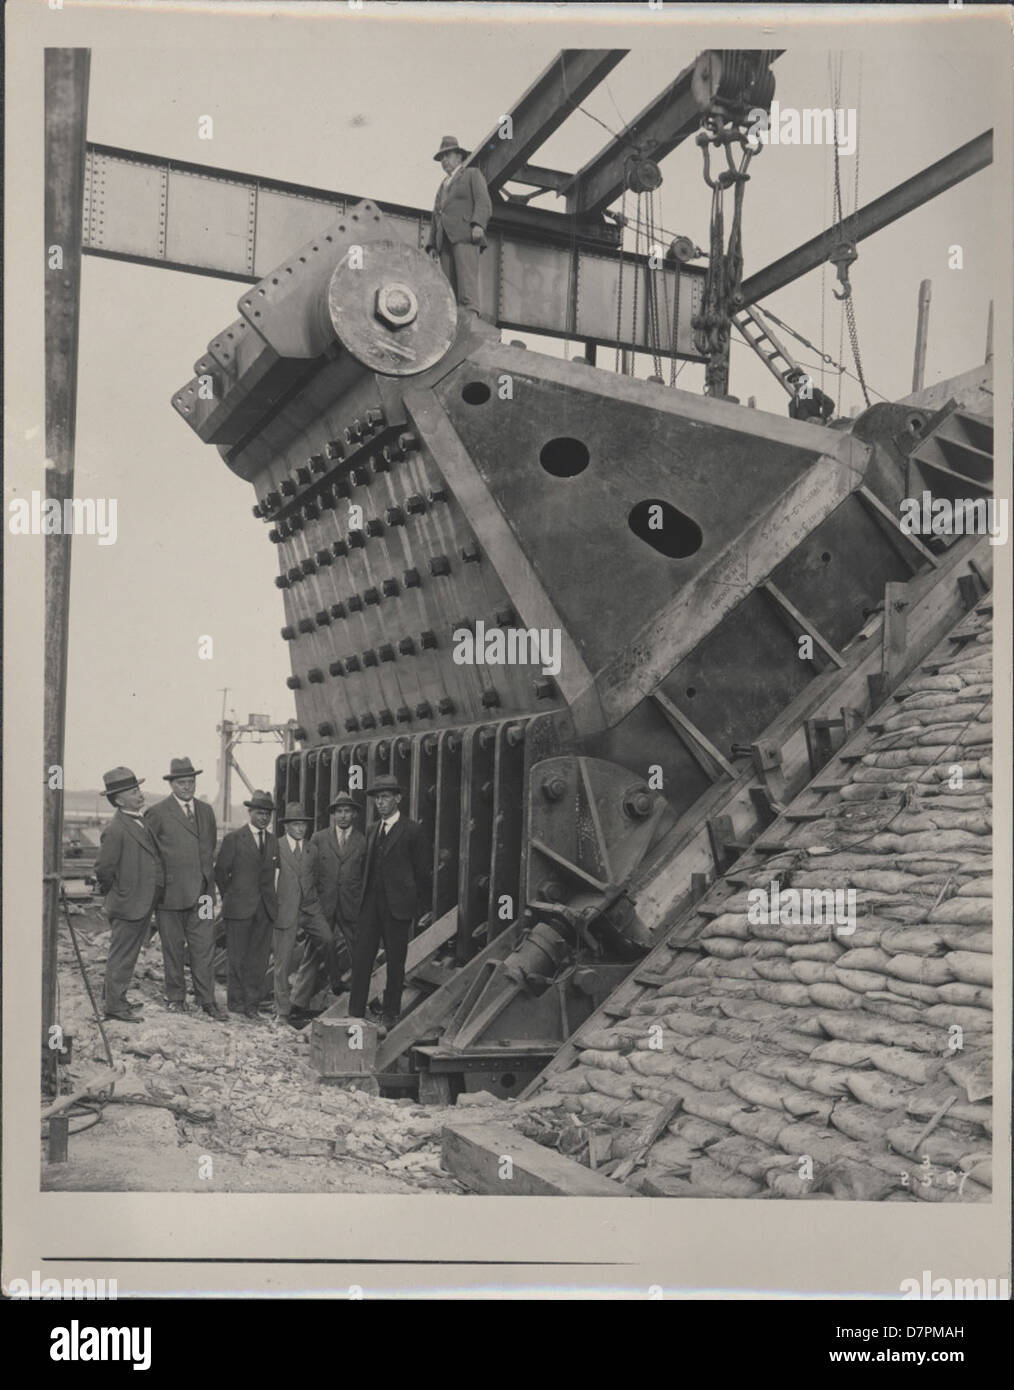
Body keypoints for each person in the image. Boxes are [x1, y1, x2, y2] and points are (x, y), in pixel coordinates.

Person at [347, 775, 432, 1035]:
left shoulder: (412, 830)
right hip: (371, 905)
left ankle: (390, 1015)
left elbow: (423, 873)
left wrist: (419, 908)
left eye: (385, 797)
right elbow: (366, 869)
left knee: (396, 963)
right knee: (361, 959)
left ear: (398, 798)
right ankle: (355, 1013)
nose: (380, 803)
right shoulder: (372, 829)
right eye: (377, 798)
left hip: (398, 908)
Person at [145, 756, 225, 1021]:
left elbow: (208, 848)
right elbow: (151, 854)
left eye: (190, 782)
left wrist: (209, 888)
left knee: (204, 947)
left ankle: (207, 1000)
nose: (187, 787)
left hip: (202, 895)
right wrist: (159, 888)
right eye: (182, 783)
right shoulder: (157, 813)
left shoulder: (205, 811)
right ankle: (176, 997)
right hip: (171, 896)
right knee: (173, 948)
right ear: (172, 785)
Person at [93, 766, 165, 1023]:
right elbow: (103, 869)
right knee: (122, 956)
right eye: (133, 791)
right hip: (128, 903)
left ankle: (116, 999)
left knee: (126, 955)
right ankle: (114, 1008)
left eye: (138, 789)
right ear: (119, 799)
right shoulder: (116, 828)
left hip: (140, 902)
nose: (139, 794)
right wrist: (118, 893)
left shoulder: (138, 820)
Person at [213, 789, 278, 1022]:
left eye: (267, 814)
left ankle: (252, 1006)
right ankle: (236, 1003)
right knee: (237, 957)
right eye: (260, 813)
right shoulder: (234, 839)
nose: (263, 818)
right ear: (250, 812)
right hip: (238, 908)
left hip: (264, 910)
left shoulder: (272, 842)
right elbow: (220, 871)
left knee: (258, 960)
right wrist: (231, 895)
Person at [273, 802, 336, 1028]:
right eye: (296, 825)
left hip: (311, 908)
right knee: (283, 961)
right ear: (286, 826)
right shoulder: (276, 846)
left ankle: (331, 982)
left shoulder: (312, 850)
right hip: (286, 910)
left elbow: (317, 877)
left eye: (304, 825)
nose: (301, 829)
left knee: (327, 940)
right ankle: (282, 1011)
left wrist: (314, 903)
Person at [301, 792, 366, 1000]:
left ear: (354, 814)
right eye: (339, 811)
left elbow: (365, 876)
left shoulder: (362, 841)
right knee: (314, 951)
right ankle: (297, 1001)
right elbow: (307, 872)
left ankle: (362, 998)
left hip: (350, 905)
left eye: (347, 811)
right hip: (323, 905)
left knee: (359, 951)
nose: (343, 816)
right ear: (333, 815)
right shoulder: (319, 838)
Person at [425, 135, 492, 316]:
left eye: (447, 155)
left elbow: (483, 201)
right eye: (441, 158)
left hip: (464, 235)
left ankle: (470, 316)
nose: (444, 161)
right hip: (444, 240)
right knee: (449, 288)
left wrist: (478, 224)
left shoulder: (471, 174)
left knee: (466, 284)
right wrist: (432, 244)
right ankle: (454, 319)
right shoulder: (442, 186)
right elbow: (436, 215)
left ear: (459, 157)